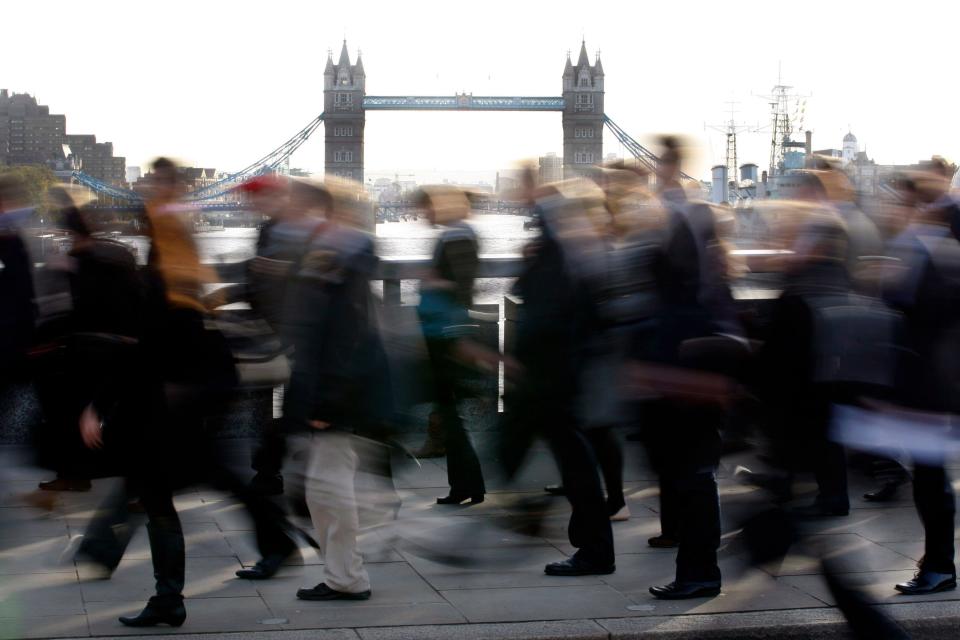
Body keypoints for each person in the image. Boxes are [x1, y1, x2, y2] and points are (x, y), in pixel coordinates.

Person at [503, 179, 616, 577]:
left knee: (569, 463)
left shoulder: (559, 249)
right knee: (573, 461)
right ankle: (581, 540)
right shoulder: (581, 247)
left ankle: (585, 544)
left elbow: (544, 311)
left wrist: (521, 361)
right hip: (566, 371)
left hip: (551, 374)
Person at [277, 178, 383, 601]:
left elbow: (344, 333)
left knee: (329, 489)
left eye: (298, 205)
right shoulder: (326, 254)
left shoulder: (340, 258)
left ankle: (347, 577)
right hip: (322, 387)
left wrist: (328, 398)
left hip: (333, 393)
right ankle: (345, 573)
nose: (290, 213)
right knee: (326, 486)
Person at [881, 167, 959, 595]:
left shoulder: (925, 254)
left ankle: (939, 566)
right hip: (930, 383)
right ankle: (937, 562)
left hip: (930, 385)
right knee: (930, 478)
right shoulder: (930, 250)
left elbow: (920, 323)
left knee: (930, 480)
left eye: (895, 202)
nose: (888, 210)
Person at [416, 186, 486, 505]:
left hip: (446, 333)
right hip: (444, 331)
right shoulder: (456, 234)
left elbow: (462, 285)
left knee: (450, 411)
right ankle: (467, 485)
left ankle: (467, 484)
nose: (424, 213)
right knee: (450, 412)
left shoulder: (456, 236)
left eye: (427, 207)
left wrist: (431, 280)